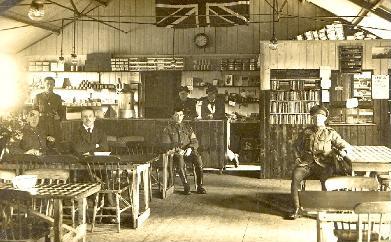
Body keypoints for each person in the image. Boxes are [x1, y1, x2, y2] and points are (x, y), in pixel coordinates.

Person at [287, 105, 351, 220]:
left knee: (327, 181)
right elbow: (295, 146)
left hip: (324, 164)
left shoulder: (330, 133)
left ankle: (325, 208)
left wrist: (344, 151)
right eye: (315, 117)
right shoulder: (306, 132)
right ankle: (297, 208)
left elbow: (344, 144)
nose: (317, 119)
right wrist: (297, 157)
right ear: (312, 118)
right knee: (295, 177)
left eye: (320, 117)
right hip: (306, 164)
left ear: (324, 119)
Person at [161, 107, 207, 195]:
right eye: (176, 115)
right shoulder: (167, 129)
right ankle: (186, 186)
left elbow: (194, 141)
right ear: (172, 117)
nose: (179, 117)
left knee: (198, 160)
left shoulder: (188, 127)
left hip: (189, 151)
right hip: (175, 153)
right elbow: (166, 144)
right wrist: (177, 150)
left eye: (181, 115)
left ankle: (200, 186)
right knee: (180, 161)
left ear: (183, 116)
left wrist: (190, 148)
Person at [33, 77, 64, 145]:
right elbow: (34, 111)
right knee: (42, 142)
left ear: (54, 85)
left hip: (54, 124)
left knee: (53, 143)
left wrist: (59, 117)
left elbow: (61, 111)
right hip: (42, 124)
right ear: (44, 84)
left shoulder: (58, 97)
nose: (49, 86)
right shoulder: (38, 96)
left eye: (51, 84)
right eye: (47, 84)